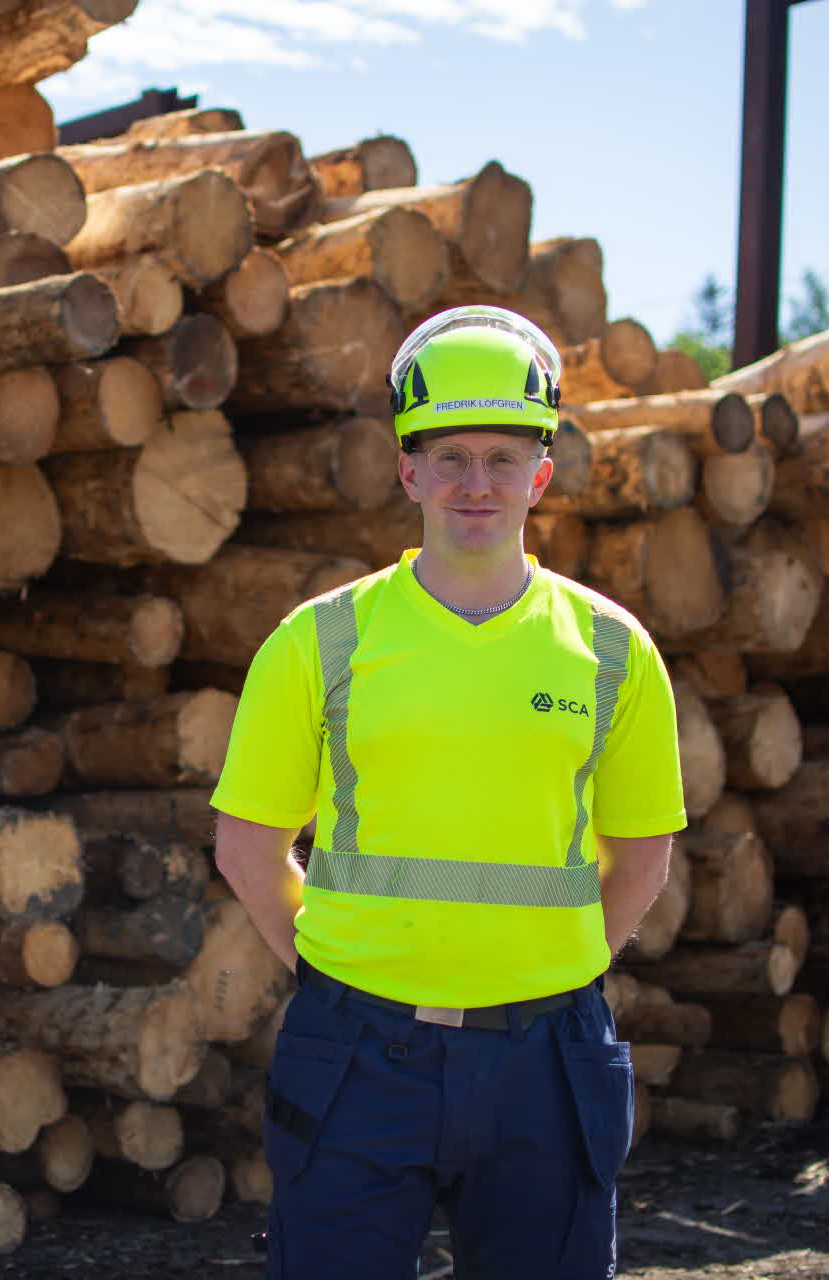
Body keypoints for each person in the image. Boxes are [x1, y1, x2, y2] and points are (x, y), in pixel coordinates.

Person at [209, 304, 686, 1279]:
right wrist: (339, 969)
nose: (477, 482)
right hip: (356, 1046)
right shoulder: (318, 640)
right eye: (451, 456)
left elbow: (642, 854)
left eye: (504, 457)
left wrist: (561, 970)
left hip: (548, 1056)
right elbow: (247, 844)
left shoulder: (612, 649)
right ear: (408, 470)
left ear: (541, 474)